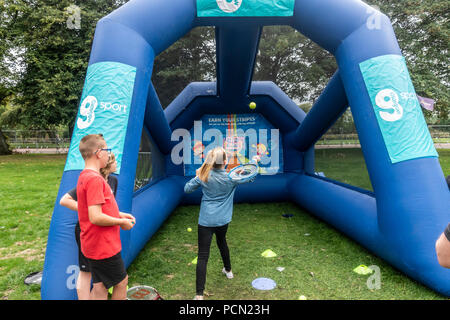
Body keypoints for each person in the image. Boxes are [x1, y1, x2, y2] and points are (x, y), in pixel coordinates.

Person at [184, 146, 259, 300]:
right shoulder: (231, 178)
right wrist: (254, 162)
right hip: (222, 221)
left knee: (203, 256)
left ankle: (199, 295)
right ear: (225, 162)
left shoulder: (204, 176)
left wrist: (198, 175)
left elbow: (187, 189)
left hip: (206, 221)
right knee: (222, 242)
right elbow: (250, 176)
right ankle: (229, 271)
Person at [75, 134, 135, 300]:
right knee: (122, 282)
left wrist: (119, 214)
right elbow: (95, 217)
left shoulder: (85, 176)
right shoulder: (95, 180)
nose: (109, 155)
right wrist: (121, 222)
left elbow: (95, 209)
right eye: (107, 150)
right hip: (103, 246)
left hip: (93, 244)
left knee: (100, 286)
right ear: (99, 152)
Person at [60, 152, 119, 299]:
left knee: (101, 276)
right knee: (85, 271)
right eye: (114, 160)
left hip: (103, 232)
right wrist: (89, 210)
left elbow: (108, 208)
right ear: (107, 163)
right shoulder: (91, 180)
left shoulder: (113, 181)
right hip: (87, 231)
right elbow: (64, 200)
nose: (117, 163)